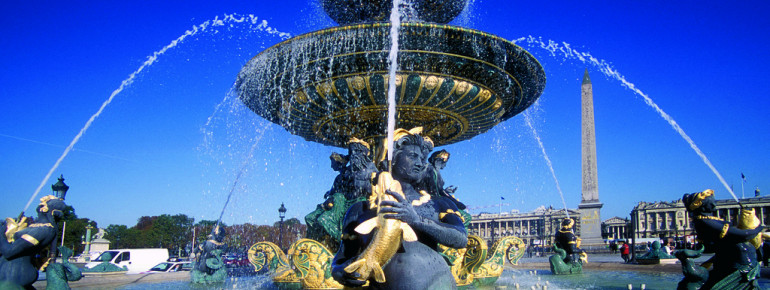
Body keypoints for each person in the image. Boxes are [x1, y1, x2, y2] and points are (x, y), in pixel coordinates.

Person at [331, 127, 468, 289]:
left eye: (422, 158)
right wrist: (343, 273)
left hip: (436, 284)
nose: (420, 163)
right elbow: (340, 260)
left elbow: (461, 239)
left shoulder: (438, 203)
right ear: (392, 159)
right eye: (412, 156)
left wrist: (416, 220)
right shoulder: (360, 209)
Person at [0, 195, 67, 288]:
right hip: (9, 273)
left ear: (49, 210)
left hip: (16, 275)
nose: (40, 206)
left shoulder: (44, 230)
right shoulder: (35, 227)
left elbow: (9, 252)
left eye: (43, 204)